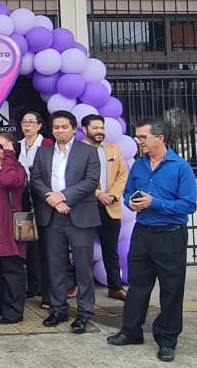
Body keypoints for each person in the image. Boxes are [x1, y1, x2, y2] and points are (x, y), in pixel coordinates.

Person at [107, 119, 197, 363]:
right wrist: (131, 202)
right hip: (143, 232)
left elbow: (189, 205)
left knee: (171, 289)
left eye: (143, 137)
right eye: (137, 137)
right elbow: (127, 194)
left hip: (170, 234)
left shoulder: (180, 167)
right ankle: (131, 330)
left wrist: (153, 203)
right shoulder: (139, 166)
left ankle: (167, 339)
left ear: (160, 138)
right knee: (138, 285)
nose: (139, 142)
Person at [30, 110, 101, 334]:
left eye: (64, 127)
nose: (60, 131)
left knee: (83, 267)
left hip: (79, 215)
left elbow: (91, 181)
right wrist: (53, 199)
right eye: (56, 127)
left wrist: (64, 196)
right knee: (55, 266)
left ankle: (84, 313)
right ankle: (58, 308)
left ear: (73, 129)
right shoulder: (44, 151)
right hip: (52, 216)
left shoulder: (88, 151)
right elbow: (36, 179)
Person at [0, 133, 29, 324]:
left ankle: (14, 310)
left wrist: (9, 157)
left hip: (8, 226)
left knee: (11, 271)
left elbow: (10, 181)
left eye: (3, 146)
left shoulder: (17, 169)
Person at [82, 114, 130, 301]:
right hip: (86, 206)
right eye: (95, 128)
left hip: (110, 205)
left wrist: (112, 195)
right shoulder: (77, 150)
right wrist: (97, 194)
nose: (100, 131)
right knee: (82, 249)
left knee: (111, 249)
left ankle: (115, 287)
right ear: (85, 130)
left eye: (101, 128)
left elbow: (122, 175)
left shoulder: (114, 149)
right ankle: (81, 286)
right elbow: (76, 177)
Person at [17, 110, 52, 306]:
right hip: (23, 199)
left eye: (31, 122)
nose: (27, 125)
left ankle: (48, 293)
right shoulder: (18, 145)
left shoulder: (46, 145)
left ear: (39, 125)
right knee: (28, 242)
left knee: (46, 246)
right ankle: (33, 286)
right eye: (24, 122)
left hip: (43, 198)